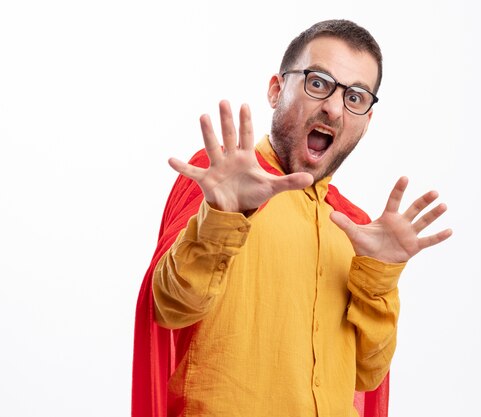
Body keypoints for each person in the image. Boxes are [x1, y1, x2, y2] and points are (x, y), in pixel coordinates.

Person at [132, 19, 452, 417]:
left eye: (356, 97)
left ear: (366, 121)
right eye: (318, 83)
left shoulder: (354, 226)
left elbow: (367, 375)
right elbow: (169, 307)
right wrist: (221, 216)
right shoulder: (219, 180)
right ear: (276, 89)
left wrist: (380, 277)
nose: (334, 108)